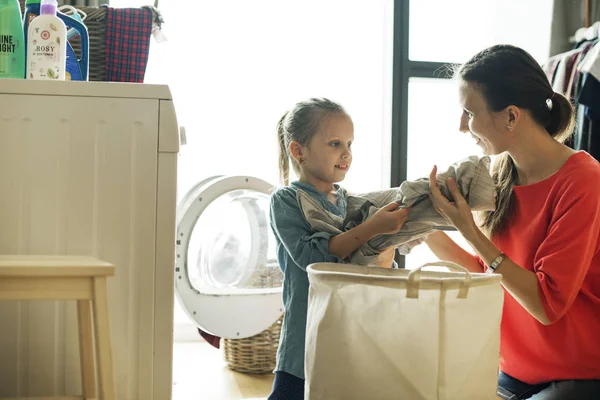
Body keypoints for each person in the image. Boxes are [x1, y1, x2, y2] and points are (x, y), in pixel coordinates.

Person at [427, 45, 600, 399]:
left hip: (577, 376)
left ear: (510, 117)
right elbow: (489, 271)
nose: (461, 126)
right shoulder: (499, 173)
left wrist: (470, 232)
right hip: (512, 371)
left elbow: (546, 304)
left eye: (468, 112)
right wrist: (423, 229)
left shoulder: (584, 180)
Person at [268, 97, 409, 399]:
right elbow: (313, 257)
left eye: (349, 144)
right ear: (298, 151)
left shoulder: (349, 201)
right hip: (306, 333)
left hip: (350, 330)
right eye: (335, 144)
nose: (346, 153)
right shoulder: (286, 201)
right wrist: (372, 228)